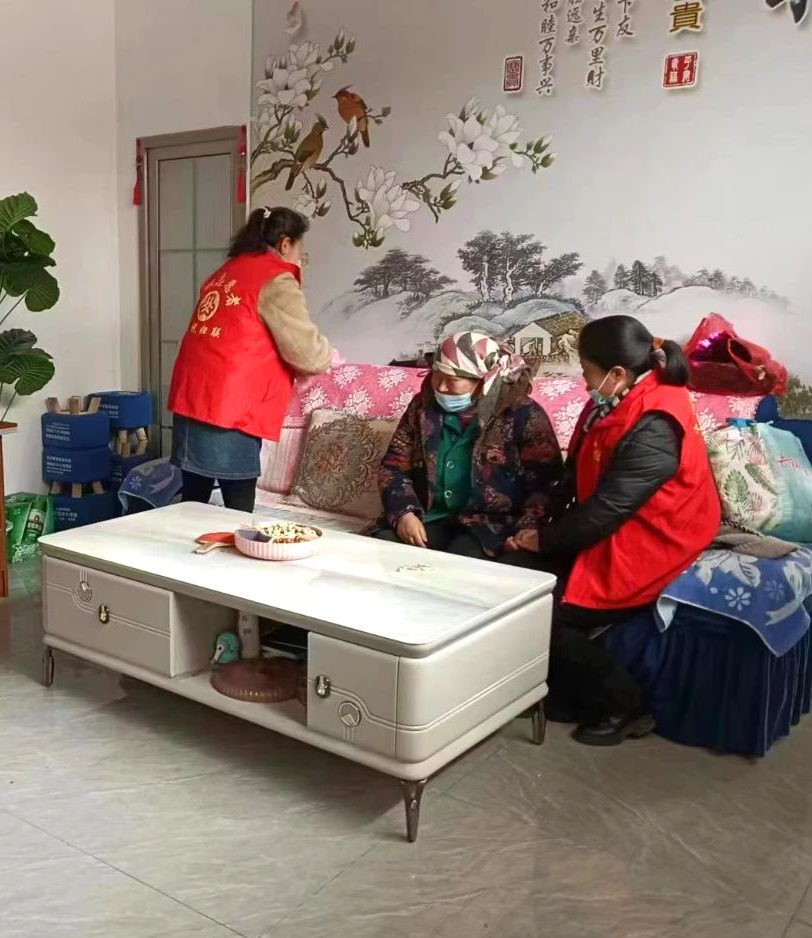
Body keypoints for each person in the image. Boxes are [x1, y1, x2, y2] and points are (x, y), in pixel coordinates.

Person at [505, 316, 721, 747]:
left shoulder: (656, 421)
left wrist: (545, 540)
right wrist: (539, 520)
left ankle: (625, 706)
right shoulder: (609, 400)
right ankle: (558, 693)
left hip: (657, 537)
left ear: (617, 373)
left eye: (586, 370)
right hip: (613, 521)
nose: (583, 380)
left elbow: (608, 511)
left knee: (543, 610)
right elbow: (574, 469)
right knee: (511, 574)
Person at [165, 206, 333, 513]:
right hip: (230, 405)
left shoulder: (227, 271)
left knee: (191, 504)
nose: (300, 258)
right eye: (300, 249)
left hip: (191, 398)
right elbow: (307, 353)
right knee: (238, 506)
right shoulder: (276, 279)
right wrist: (328, 355)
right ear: (285, 243)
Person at [373, 331, 562, 564]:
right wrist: (404, 513)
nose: (441, 387)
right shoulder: (421, 407)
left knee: (459, 563)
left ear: (483, 381)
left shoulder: (523, 414)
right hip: (430, 517)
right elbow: (393, 466)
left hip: (491, 526)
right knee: (384, 548)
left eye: (452, 380)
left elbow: (547, 482)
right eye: (437, 375)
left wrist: (527, 529)